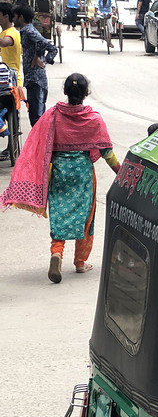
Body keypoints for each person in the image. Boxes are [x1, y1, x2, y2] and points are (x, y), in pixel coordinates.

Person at [0, 73, 120, 283]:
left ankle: (57, 252)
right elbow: (107, 152)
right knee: (86, 217)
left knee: (60, 212)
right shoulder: (94, 119)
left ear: (65, 92)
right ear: (86, 93)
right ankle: (80, 262)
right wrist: (122, 173)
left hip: (59, 172)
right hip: (83, 174)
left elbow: (36, 143)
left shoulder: (53, 115)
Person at [14, 3, 57, 126]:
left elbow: (43, 44)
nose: (14, 19)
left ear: (21, 17)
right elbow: (52, 48)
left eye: (15, 16)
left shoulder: (28, 31)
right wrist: (45, 60)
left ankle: (41, 143)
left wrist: (38, 57)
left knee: (37, 118)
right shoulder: (28, 30)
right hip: (35, 79)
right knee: (36, 115)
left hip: (35, 80)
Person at [0, 3, 23, 91]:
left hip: (10, 80)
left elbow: (5, 42)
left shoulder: (11, 32)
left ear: (6, 16)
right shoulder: (4, 32)